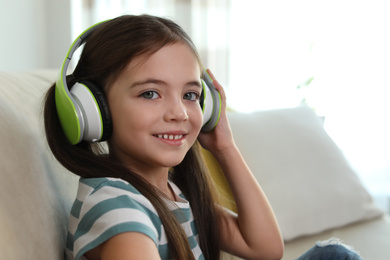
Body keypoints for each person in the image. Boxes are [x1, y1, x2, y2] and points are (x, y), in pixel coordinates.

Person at [43, 14, 363, 260]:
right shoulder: (117, 207)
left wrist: (225, 146)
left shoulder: (174, 195)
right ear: (94, 109)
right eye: (151, 93)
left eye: (191, 95)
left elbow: (264, 247)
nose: (180, 114)